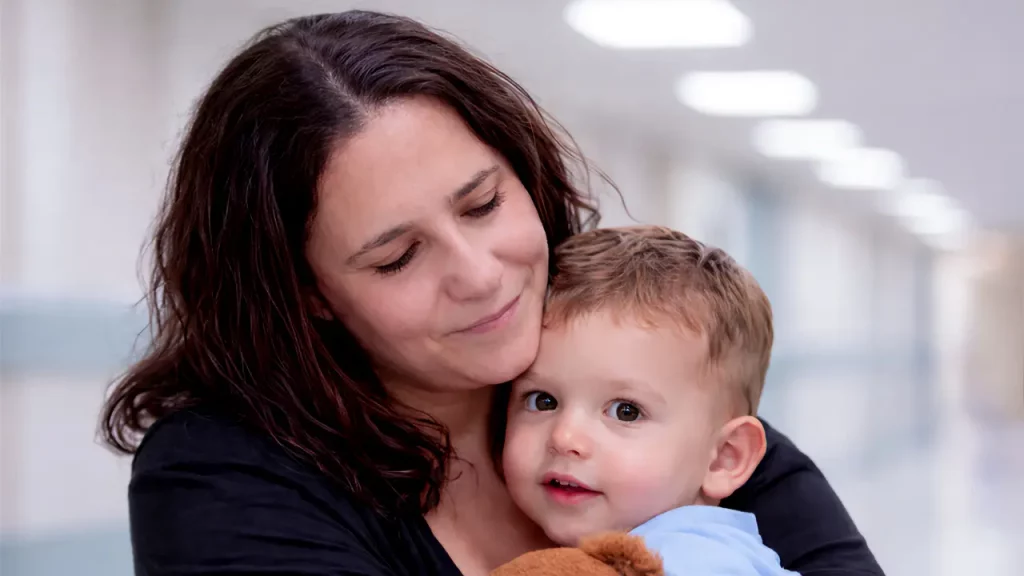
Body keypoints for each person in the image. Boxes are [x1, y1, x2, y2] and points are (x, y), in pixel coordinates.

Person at [99, 10, 882, 576]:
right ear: (307, 293)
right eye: (398, 257)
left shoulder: (654, 399)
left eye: (482, 205)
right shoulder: (225, 474)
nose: (480, 274)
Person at [498, 226, 794, 575]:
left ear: (724, 458)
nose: (564, 438)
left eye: (626, 411)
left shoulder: (699, 562)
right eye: (543, 401)